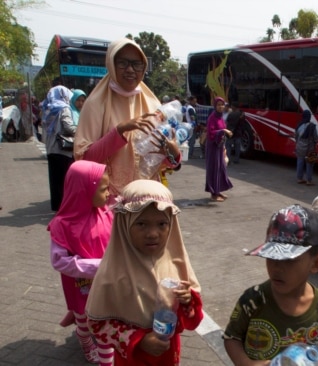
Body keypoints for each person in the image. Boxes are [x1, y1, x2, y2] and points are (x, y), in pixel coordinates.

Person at [86, 179, 203, 366]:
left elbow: (192, 321)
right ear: (124, 224)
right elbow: (97, 324)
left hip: (168, 354)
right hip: (133, 359)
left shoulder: (176, 263)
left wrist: (188, 301)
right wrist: (137, 340)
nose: (153, 234)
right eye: (141, 224)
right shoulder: (112, 273)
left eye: (162, 224)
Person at [223, 204, 318, 363]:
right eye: (271, 256)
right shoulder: (253, 300)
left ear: (317, 263)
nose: (276, 268)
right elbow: (231, 338)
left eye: (288, 260)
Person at [74, 38, 181, 203]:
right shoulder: (95, 104)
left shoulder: (152, 103)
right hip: (110, 202)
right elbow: (85, 160)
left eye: (136, 64)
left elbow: (161, 163)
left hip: (147, 199)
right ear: (111, 64)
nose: (130, 70)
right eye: (123, 63)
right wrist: (119, 131)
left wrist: (173, 153)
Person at [49, 160, 112, 364]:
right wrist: (97, 266)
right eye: (104, 189)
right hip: (80, 287)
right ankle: (84, 339)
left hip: (106, 285)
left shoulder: (106, 213)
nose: (109, 193)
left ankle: (106, 358)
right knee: (83, 320)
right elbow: (59, 261)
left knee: (106, 325)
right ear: (83, 191)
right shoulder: (62, 224)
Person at [43, 85, 76, 211]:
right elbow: (68, 127)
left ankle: (56, 206)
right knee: (65, 180)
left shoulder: (48, 108)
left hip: (51, 149)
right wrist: (82, 130)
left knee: (55, 179)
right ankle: (65, 207)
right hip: (62, 149)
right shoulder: (64, 108)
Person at [205, 96, 233, 201]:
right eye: (218, 105)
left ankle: (218, 191)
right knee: (214, 169)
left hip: (220, 146)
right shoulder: (212, 117)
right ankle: (214, 193)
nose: (221, 107)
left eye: (222, 104)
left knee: (221, 168)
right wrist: (224, 131)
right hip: (213, 147)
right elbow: (211, 133)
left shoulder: (220, 117)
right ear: (215, 106)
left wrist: (224, 145)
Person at [295, 110, 318, 186]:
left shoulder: (299, 125)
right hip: (309, 147)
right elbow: (315, 138)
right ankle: (309, 180)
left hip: (300, 146)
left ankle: (299, 178)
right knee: (309, 163)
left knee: (300, 162)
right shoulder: (312, 126)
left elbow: (296, 136)